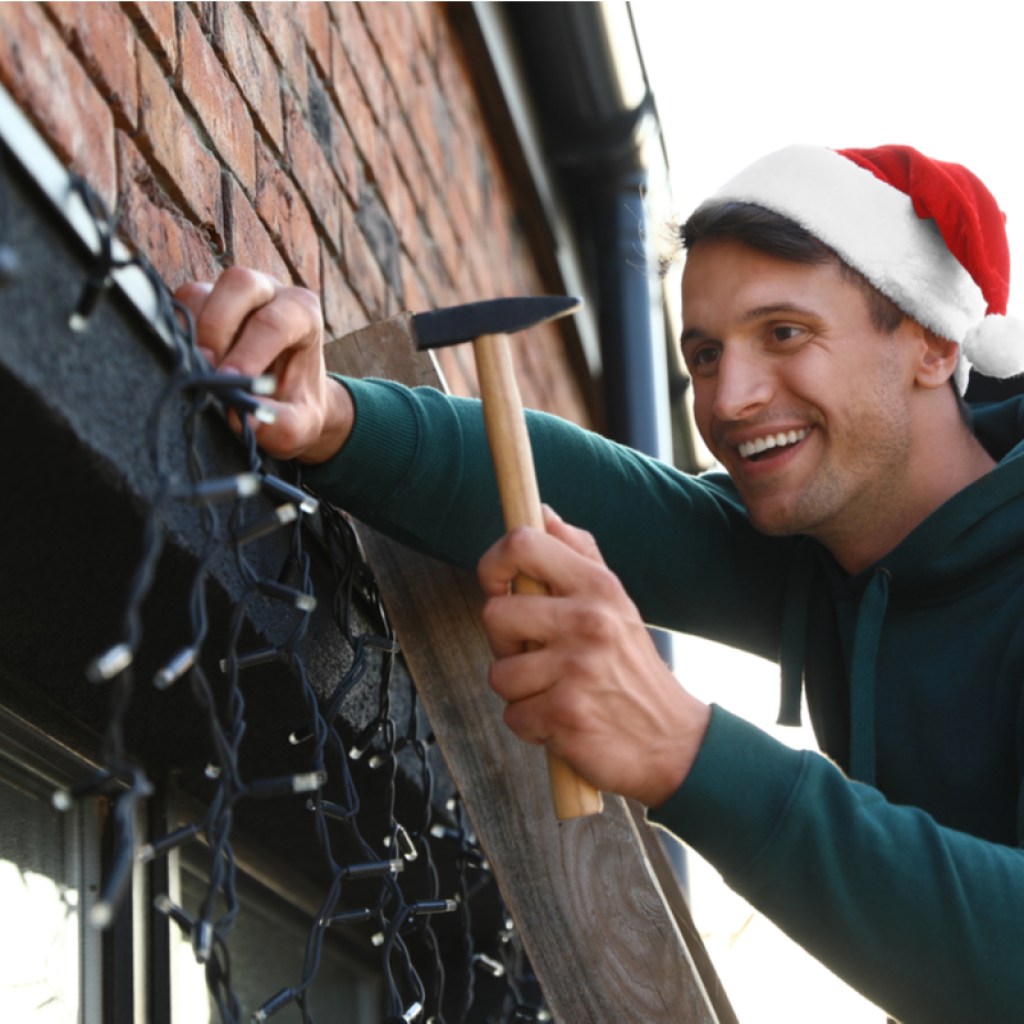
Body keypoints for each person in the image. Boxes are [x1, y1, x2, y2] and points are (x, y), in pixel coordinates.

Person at [177, 145, 1024, 1022]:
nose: (728, 399)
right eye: (702, 354)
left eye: (785, 333)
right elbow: (607, 503)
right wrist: (330, 419)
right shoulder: (835, 542)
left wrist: (682, 749)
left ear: (932, 341)